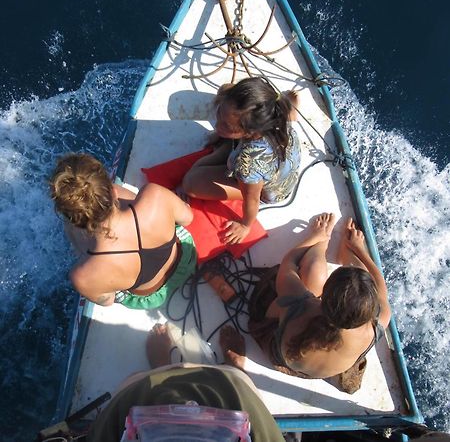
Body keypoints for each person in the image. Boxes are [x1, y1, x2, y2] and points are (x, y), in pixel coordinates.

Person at [223, 213, 391, 392]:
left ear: (324, 295)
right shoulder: (379, 322)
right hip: (318, 371)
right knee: (362, 278)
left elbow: (289, 263)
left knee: (314, 271)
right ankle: (347, 251)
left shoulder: (300, 307)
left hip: (283, 355)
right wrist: (360, 249)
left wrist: (316, 236)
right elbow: (380, 287)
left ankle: (321, 244)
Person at [86, 323, 285, 442]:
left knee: (134, 382)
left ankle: (160, 368)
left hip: (146, 393)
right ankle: (234, 368)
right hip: (228, 389)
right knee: (239, 379)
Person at [49, 153, 196, 309]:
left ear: (74, 219)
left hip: (152, 297)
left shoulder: (81, 277)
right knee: (148, 206)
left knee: (90, 263)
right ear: (113, 192)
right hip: (185, 259)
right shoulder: (155, 195)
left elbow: (107, 300)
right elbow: (187, 218)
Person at [182, 77, 301, 245]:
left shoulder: (248, 164)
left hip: (265, 189)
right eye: (220, 116)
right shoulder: (274, 116)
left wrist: (245, 225)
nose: (216, 126)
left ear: (250, 132)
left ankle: (228, 148)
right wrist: (224, 131)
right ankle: (229, 143)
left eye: (226, 126)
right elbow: (228, 96)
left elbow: (251, 199)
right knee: (225, 89)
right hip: (274, 163)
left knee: (190, 182)